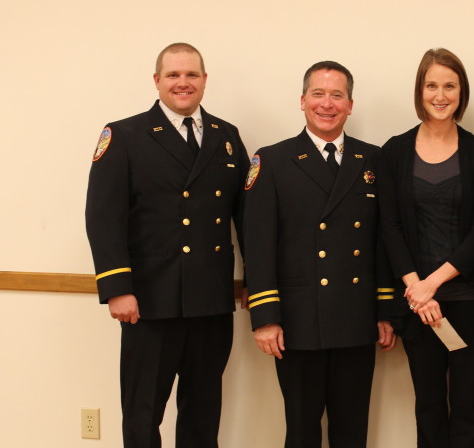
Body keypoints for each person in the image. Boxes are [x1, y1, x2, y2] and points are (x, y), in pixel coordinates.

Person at [85, 42, 249, 448]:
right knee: (143, 415)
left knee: (202, 412)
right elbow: (103, 217)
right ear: (156, 81)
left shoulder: (226, 137)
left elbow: (247, 218)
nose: (183, 83)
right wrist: (117, 288)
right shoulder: (124, 135)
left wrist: (255, 281)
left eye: (192, 74)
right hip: (150, 302)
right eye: (173, 75)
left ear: (205, 81)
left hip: (210, 303)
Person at [242, 61, 396, 448]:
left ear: (350, 104)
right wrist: (265, 317)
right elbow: (258, 244)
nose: (327, 104)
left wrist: (385, 310)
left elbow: (383, 243)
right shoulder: (272, 161)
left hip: (356, 319)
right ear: (302, 101)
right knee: (302, 431)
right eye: (318, 94)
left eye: (337, 95)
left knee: (352, 431)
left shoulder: (373, 161)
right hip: (296, 323)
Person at [378, 48, 474, 447]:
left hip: (467, 302)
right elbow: (388, 226)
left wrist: (434, 284)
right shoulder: (394, 151)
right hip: (416, 306)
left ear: (461, 92)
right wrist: (417, 289)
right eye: (431, 85)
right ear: (419, 91)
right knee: (427, 405)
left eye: (449, 85)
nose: (440, 95)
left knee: (466, 407)